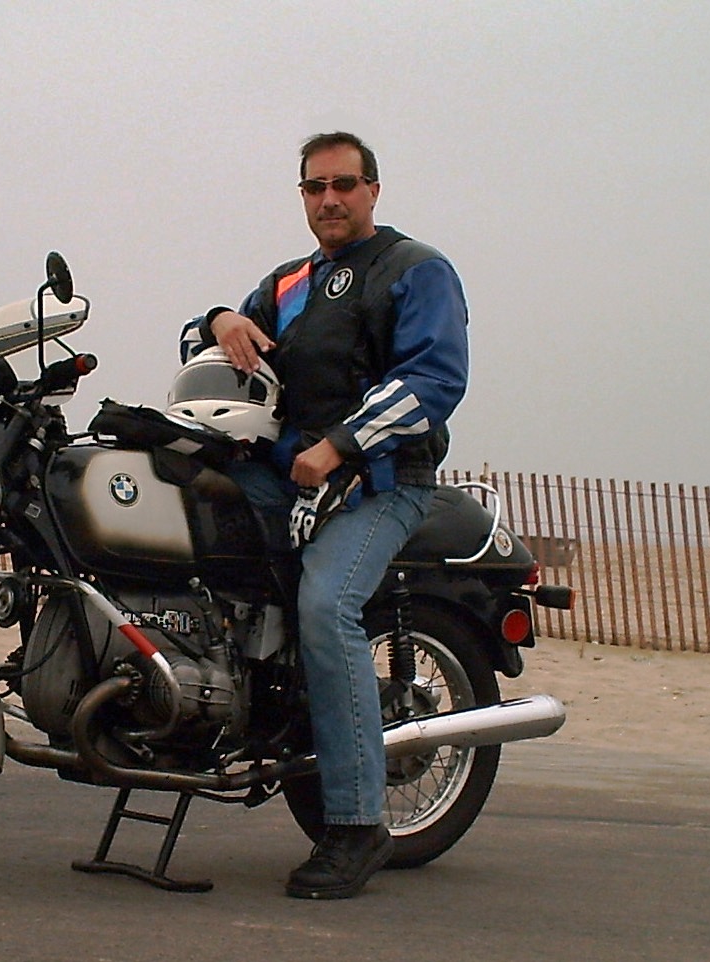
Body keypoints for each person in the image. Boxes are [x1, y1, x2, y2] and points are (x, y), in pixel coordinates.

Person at [178, 132, 470, 899]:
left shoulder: (416, 270)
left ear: (373, 189)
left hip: (381, 481)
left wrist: (340, 445)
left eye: (344, 184)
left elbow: (434, 379)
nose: (329, 199)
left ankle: (355, 823)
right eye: (314, 188)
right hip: (287, 478)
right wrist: (217, 321)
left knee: (325, 606)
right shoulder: (289, 283)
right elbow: (214, 348)